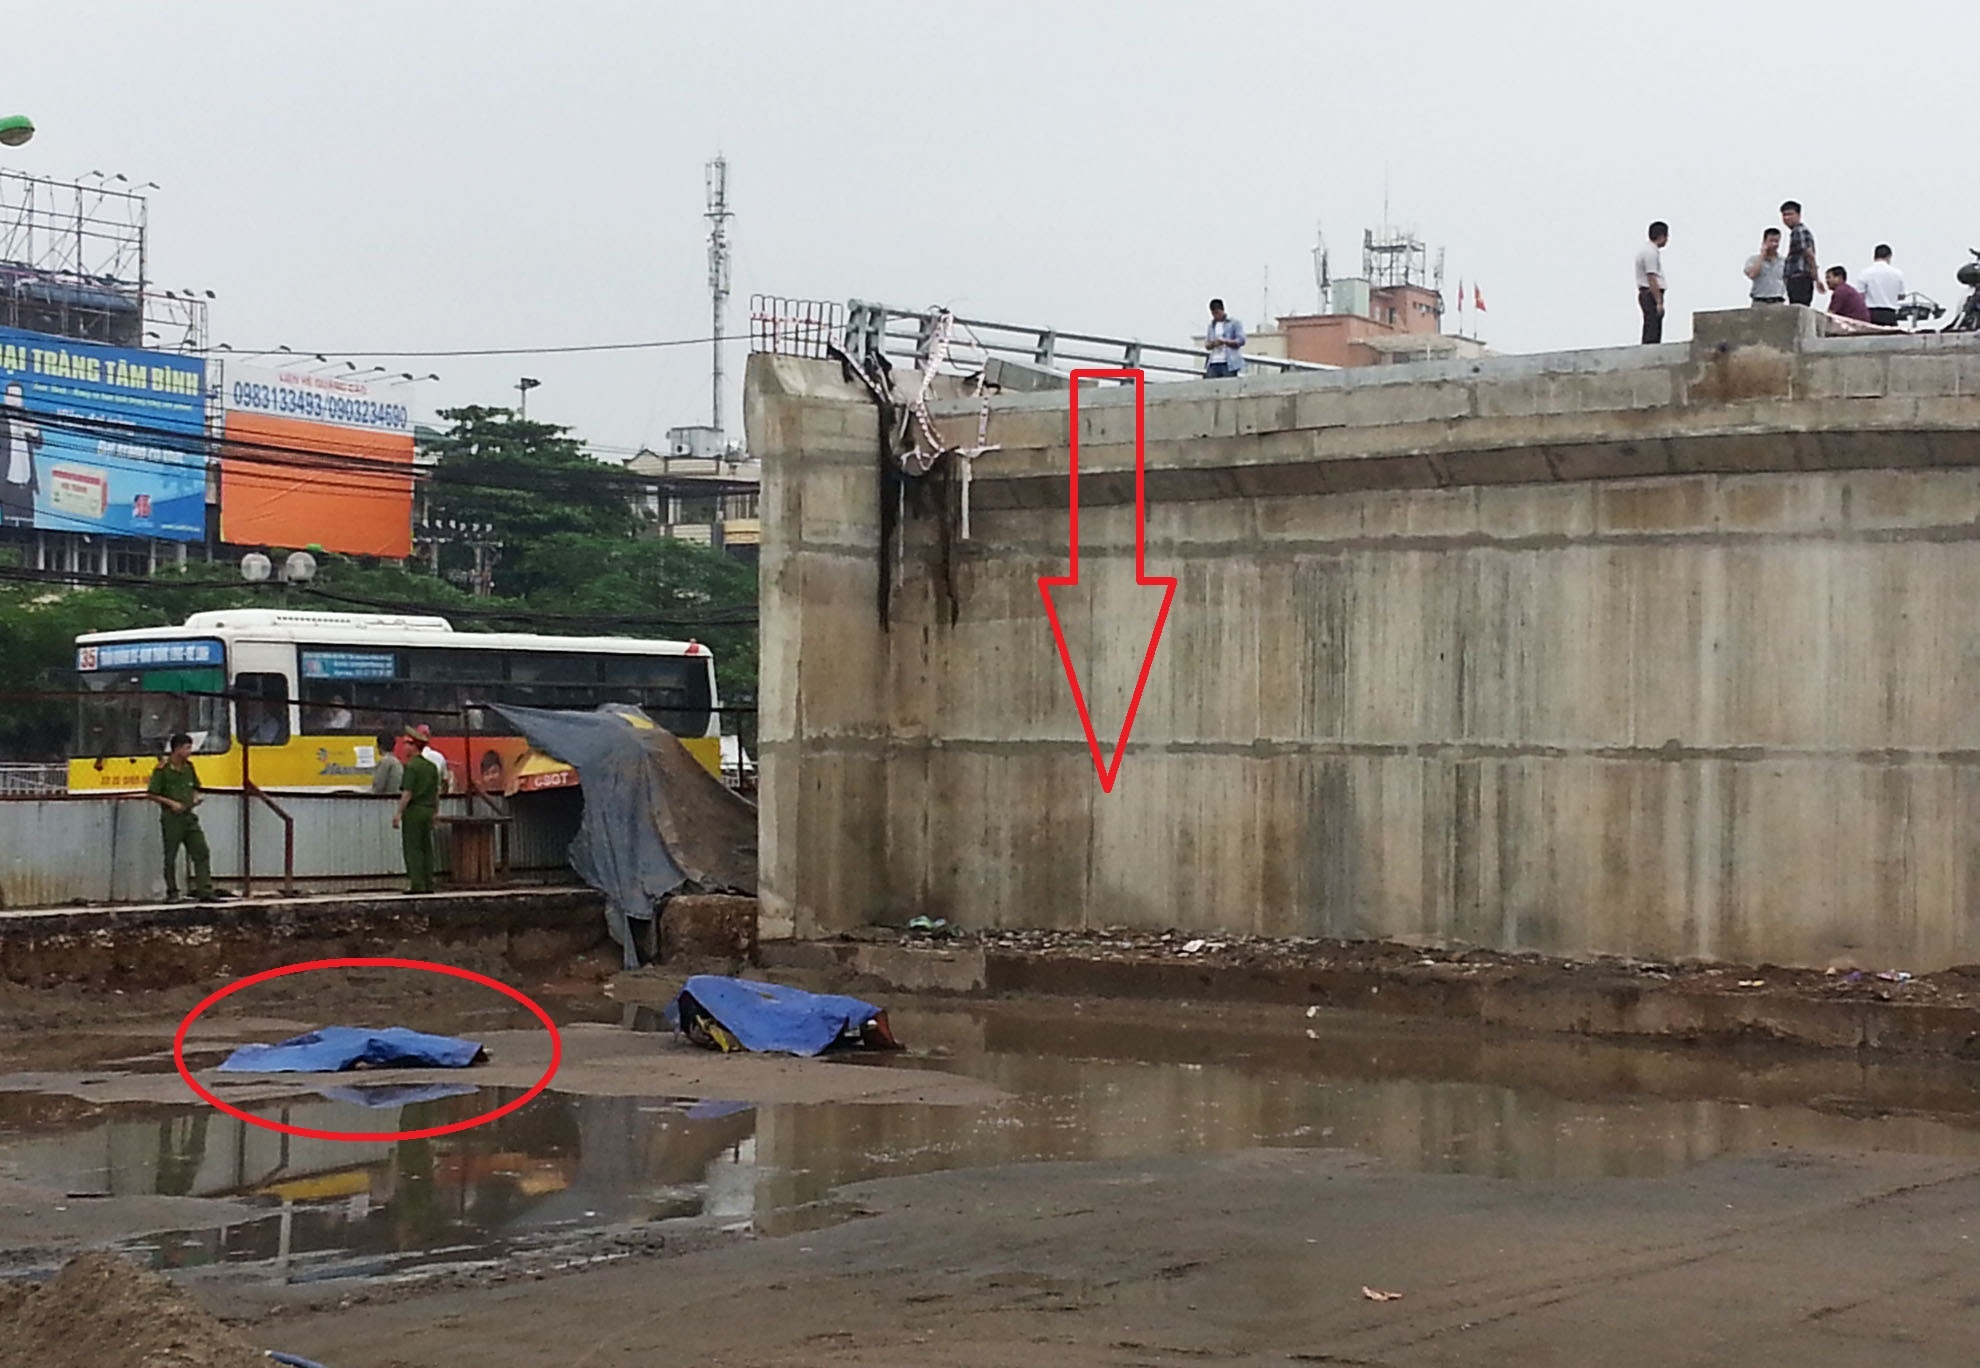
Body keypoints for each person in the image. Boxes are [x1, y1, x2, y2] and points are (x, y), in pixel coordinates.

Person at [145, 732, 226, 902]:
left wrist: (196, 797)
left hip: (189, 816)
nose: (190, 751)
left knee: (201, 851)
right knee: (171, 856)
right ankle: (172, 892)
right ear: (177, 749)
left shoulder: (189, 767)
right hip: (172, 818)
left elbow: (196, 786)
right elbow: (152, 794)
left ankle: (205, 891)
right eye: (187, 748)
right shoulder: (163, 769)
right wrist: (171, 803)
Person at [393, 728, 442, 894]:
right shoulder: (431, 767)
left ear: (414, 746)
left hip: (414, 811)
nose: (404, 747)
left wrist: (398, 813)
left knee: (413, 848)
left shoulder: (411, 766)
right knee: (427, 847)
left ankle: (417, 885)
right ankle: (429, 883)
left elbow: (407, 793)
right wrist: (435, 812)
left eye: (407, 744)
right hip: (428, 811)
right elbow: (436, 792)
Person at [0, 381, 42, 528]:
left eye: (18, 396)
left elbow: (39, 444)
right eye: (11, 395)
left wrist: (34, 431)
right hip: (7, 485)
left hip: (27, 486)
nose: (14, 400)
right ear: (5, 397)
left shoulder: (27, 416)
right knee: (8, 528)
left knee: (28, 527)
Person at [1781, 201, 1821, 307]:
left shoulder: (1799, 231)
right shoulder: (1797, 231)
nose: (1787, 218)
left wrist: (1816, 278)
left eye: (1790, 214)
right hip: (1797, 278)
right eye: (1784, 215)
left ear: (1798, 215)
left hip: (1800, 278)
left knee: (1798, 307)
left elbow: (1809, 253)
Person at [1634, 221, 1669, 343]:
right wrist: (1658, 301)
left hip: (1648, 293)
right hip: (1650, 294)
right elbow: (1651, 277)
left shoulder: (1646, 250)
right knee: (1652, 328)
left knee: (1651, 326)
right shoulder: (1650, 252)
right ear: (1662, 236)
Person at [1860, 244, 1904, 328]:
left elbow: (1860, 295)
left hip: (1871, 313)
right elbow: (1901, 296)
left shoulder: (1865, 273)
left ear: (1874, 256)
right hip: (1890, 314)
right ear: (1889, 256)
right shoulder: (1897, 274)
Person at [1203, 299, 1246, 378]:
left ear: (1222, 310)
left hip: (1229, 363)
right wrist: (1213, 344)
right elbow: (1207, 344)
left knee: (1228, 384)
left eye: (1217, 313)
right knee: (1211, 383)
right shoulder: (1211, 325)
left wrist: (1225, 341)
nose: (1215, 315)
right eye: (1213, 313)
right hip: (1213, 362)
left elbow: (1241, 340)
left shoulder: (1234, 323)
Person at [1744, 228, 1787, 305]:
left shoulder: (1784, 261)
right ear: (1764, 242)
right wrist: (1762, 256)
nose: (1774, 244)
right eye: (1771, 241)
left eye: (1776, 241)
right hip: (1760, 301)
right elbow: (1752, 274)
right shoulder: (1753, 259)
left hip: (1777, 301)